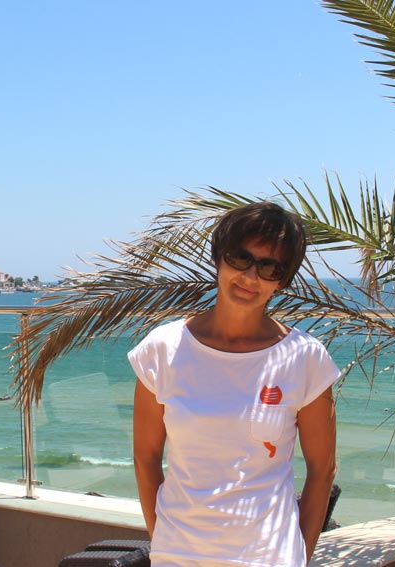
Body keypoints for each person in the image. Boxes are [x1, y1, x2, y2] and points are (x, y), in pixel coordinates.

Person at [129, 201, 339, 567]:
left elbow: (322, 471)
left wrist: (299, 557)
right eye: (240, 258)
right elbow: (146, 458)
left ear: (282, 280)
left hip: (269, 557)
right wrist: (162, 538)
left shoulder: (305, 358)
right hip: (177, 555)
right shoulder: (162, 349)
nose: (250, 277)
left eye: (269, 267)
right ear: (219, 258)